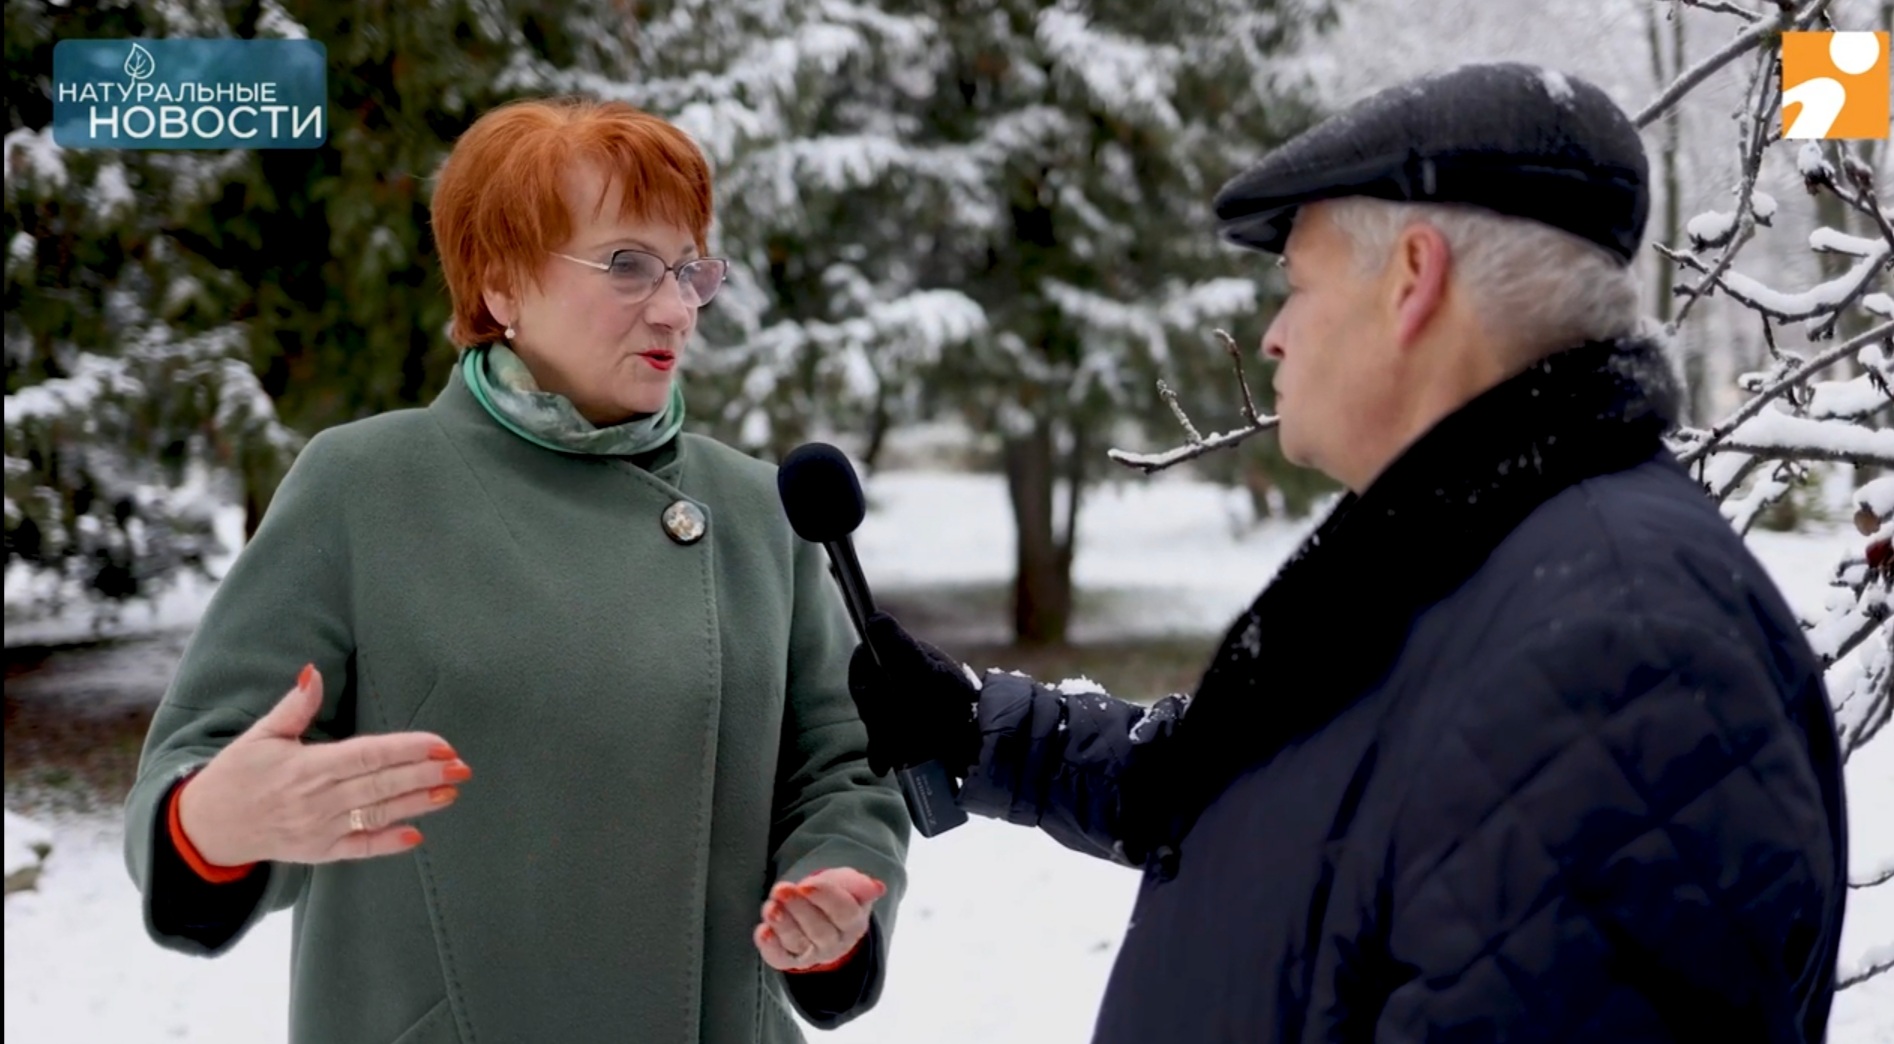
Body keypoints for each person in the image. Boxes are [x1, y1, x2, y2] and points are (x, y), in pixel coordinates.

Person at [846, 63, 1848, 1041]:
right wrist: (984, 731)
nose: (1273, 337)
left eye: (1296, 284)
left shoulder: (1620, 657)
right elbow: (1276, 803)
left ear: (1413, 277)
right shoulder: (1476, 572)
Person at [123, 96, 909, 1043]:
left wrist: (832, 899)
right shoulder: (363, 486)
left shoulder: (757, 508)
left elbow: (839, 766)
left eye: (687, 269)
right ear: (500, 288)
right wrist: (208, 824)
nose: (674, 308)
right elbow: (203, 759)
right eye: (626, 266)